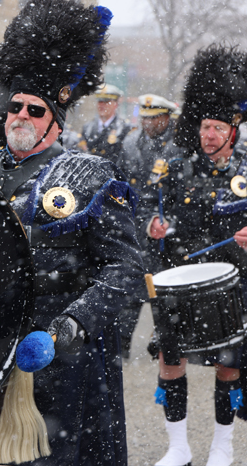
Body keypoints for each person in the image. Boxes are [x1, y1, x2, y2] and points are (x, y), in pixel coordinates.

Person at [0, 0, 143, 465]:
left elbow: (126, 267)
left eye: (34, 109)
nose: (20, 116)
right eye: (15, 107)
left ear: (55, 118)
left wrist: (71, 327)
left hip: (55, 356)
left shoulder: (90, 173)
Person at [147, 44, 247, 466]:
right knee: (172, 361)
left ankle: (222, 447)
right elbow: (149, 209)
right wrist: (152, 224)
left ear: (234, 128)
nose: (208, 135)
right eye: (204, 126)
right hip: (178, 278)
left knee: (229, 364)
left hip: (233, 281)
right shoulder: (174, 164)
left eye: (217, 128)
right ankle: (179, 447)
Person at [116, 94, 185, 358]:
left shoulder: (179, 146)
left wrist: (167, 220)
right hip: (136, 227)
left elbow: (183, 194)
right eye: (144, 117)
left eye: (154, 118)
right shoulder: (130, 142)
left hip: (167, 231)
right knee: (130, 295)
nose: (147, 123)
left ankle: (163, 347)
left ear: (167, 118)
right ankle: (121, 350)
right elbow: (122, 188)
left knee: (165, 296)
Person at [79, 83, 132, 163]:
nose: (102, 105)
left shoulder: (125, 128)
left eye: (106, 101)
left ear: (115, 104)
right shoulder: (88, 128)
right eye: (100, 101)